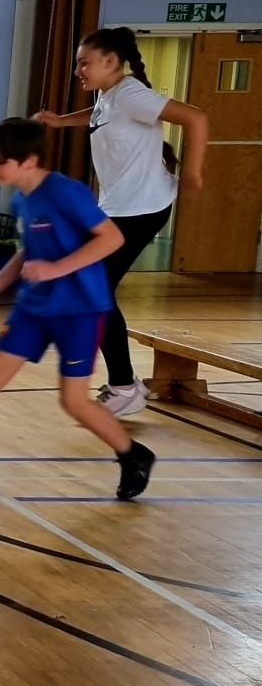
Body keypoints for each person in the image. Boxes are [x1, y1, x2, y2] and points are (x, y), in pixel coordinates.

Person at [0, 118, 156, 500]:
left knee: (72, 402)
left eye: (1, 161)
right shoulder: (23, 198)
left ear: (28, 161)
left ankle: (132, 454)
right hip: (34, 307)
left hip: (79, 310)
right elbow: (29, 251)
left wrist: (56, 268)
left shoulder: (66, 192)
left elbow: (111, 238)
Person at [34, 27, 207, 418]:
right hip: (119, 208)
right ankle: (123, 384)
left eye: (84, 63)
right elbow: (99, 117)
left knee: (93, 291)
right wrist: (61, 122)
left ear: (110, 62)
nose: (79, 70)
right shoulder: (107, 95)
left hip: (142, 208)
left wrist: (193, 173)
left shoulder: (130, 94)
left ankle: (125, 387)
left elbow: (196, 118)